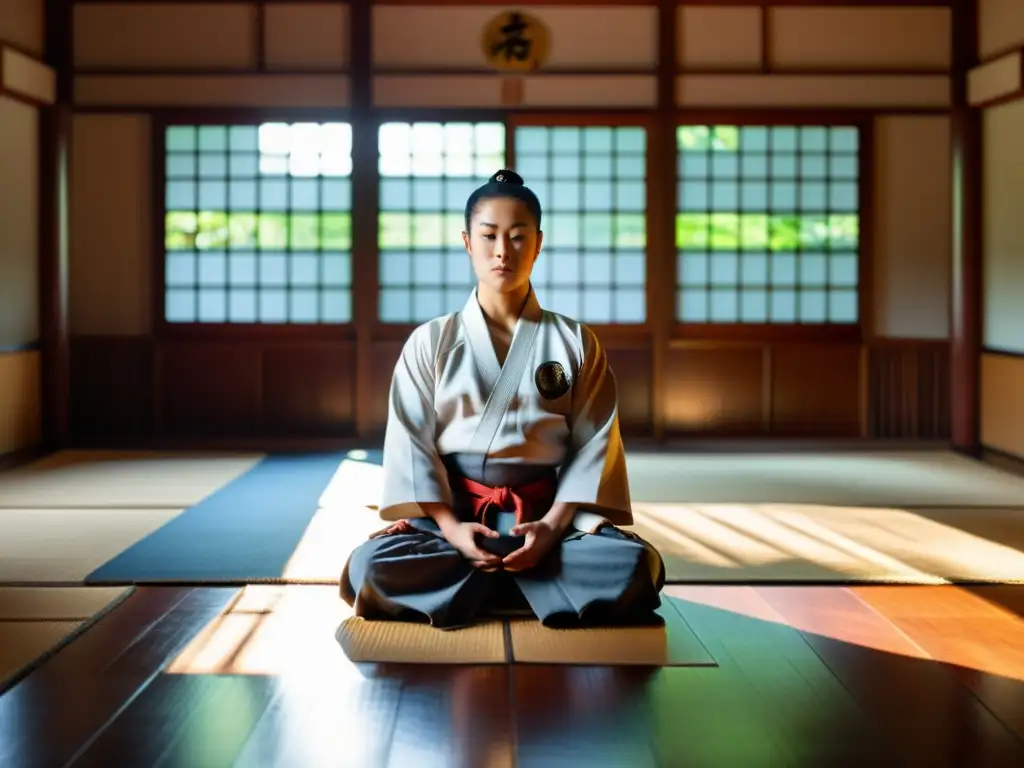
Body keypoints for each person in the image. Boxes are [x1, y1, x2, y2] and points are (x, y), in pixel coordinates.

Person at [340, 169, 665, 630]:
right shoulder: (432, 341)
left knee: (633, 567)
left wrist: (552, 527)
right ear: (467, 242)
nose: (502, 251)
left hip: (547, 520)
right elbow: (412, 447)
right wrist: (452, 530)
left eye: (517, 237)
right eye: (489, 236)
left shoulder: (574, 341)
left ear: (538, 242)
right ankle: (530, 585)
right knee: (371, 568)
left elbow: (594, 446)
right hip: (456, 520)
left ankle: (486, 584)